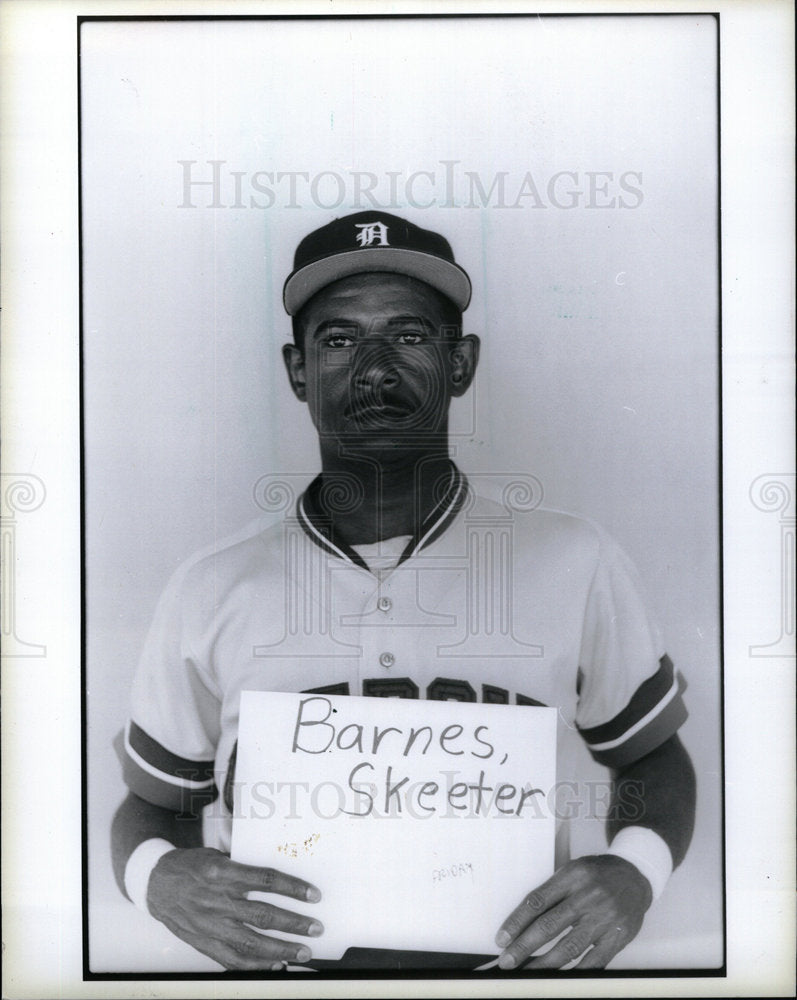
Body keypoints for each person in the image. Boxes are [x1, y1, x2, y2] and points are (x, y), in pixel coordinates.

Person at [111, 210, 696, 972]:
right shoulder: (210, 586)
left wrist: (634, 872)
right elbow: (155, 800)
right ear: (297, 370)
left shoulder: (574, 558)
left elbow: (653, 758)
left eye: (411, 336)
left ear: (461, 364)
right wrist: (153, 877)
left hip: (512, 977)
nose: (375, 367)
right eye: (339, 339)